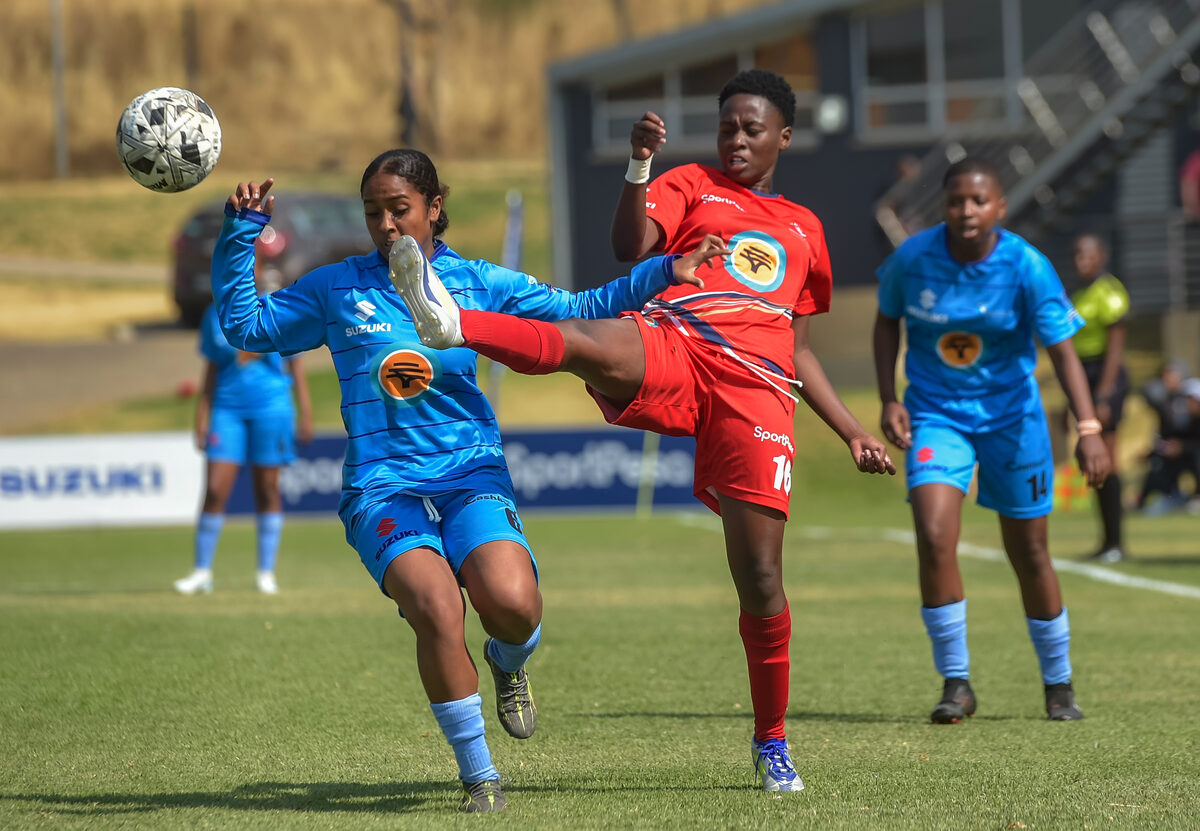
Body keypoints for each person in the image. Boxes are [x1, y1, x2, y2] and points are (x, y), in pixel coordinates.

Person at [391, 69, 896, 794]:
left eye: (752, 128)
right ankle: (452, 323)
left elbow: (800, 348)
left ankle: (772, 740)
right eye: (727, 126)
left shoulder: (805, 229)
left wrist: (850, 430)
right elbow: (631, 245)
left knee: (760, 578)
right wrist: (638, 166)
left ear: (784, 136)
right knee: (585, 341)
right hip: (678, 340)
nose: (736, 139)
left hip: (757, 388)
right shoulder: (691, 183)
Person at [210, 148, 728, 813]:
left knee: (513, 604)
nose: (386, 225)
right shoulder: (337, 288)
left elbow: (581, 307)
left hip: (470, 472)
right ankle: (480, 776)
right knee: (436, 606)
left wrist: (663, 271)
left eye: (400, 209)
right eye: (373, 213)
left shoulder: (479, 283)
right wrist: (240, 235)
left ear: (434, 207)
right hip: (383, 485)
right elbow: (245, 326)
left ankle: (507, 662)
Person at [872, 157, 1111, 725]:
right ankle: (956, 683)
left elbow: (1063, 352)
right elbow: (886, 320)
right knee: (934, 536)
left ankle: (1058, 683)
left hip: (1013, 420)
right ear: (944, 206)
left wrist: (1089, 429)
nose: (967, 210)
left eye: (979, 201)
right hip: (937, 415)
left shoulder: (1027, 265)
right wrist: (888, 397)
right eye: (957, 200)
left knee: (1029, 552)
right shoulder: (913, 258)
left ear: (1000, 207)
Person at [173, 301, 313, 595]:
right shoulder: (214, 314)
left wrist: (306, 411)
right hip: (226, 410)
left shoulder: (277, 307)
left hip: (272, 407)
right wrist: (201, 416)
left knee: (267, 489)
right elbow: (211, 367)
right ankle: (202, 572)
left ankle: (266, 573)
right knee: (214, 489)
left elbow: (295, 364)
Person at [1068, 233, 1130, 562]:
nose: (1081, 261)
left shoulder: (1109, 292)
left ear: (1101, 257)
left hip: (1106, 376)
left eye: (1087, 255)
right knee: (1093, 462)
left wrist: (1104, 395)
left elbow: (1115, 349)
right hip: (1084, 376)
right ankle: (1106, 542)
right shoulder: (1079, 295)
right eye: (1077, 255)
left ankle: (1117, 543)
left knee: (1107, 457)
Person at [1136, 359, 1200, 514]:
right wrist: (1152, 452)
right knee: (1159, 464)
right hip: (1179, 455)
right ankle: (1165, 497)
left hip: (1191, 454)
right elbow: (1167, 437)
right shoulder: (1169, 408)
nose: (1189, 403)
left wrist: (1182, 447)